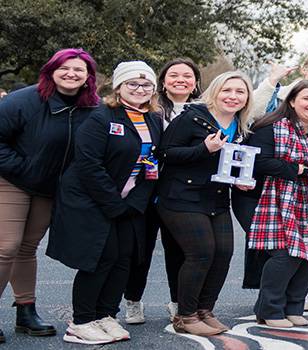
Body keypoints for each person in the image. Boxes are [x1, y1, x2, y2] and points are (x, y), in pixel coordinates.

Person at [47, 61, 162, 344]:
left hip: (126, 202)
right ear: (119, 86)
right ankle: (81, 321)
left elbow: (154, 163)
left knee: (124, 258)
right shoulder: (101, 117)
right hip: (90, 198)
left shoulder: (154, 119)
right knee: (100, 258)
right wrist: (113, 204)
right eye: (132, 84)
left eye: (146, 84)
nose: (139, 89)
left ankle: (105, 314)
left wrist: (134, 203)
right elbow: (89, 165)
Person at [0, 48, 99, 343]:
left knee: (28, 248)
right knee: (6, 246)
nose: (71, 73)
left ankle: (25, 311)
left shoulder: (91, 108)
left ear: (88, 78)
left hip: (50, 188)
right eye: (65, 68)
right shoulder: (23, 100)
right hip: (11, 179)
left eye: (79, 70)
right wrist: (22, 169)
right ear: (51, 70)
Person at [157, 71, 254, 336]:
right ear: (215, 92)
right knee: (201, 253)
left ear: (247, 98)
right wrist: (203, 149)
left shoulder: (242, 127)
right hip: (181, 197)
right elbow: (165, 153)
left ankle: (204, 311)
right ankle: (185, 316)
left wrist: (239, 180)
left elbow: (232, 165)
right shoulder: (191, 118)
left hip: (217, 198)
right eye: (227, 90)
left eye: (240, 92)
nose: (233, 96)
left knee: (223, 254)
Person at [246, 80, 308, 328]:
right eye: (307, 98)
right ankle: (270, 310)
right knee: (286, 255)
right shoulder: (269, 127)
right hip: (273, 199)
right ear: (292, 101)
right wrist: (299, 170)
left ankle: (294, 306)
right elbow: (259, 162)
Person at [124, 58, 202, 324]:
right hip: (147, 189)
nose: (180, 79)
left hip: (182, 193)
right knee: (140, 249)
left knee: (178, 250)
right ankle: (133, 301)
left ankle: (177, 302)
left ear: (195, 82)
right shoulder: (149, 109)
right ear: (163, 80)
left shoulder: (204, 111)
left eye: (187, 75)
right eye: (174, 75)